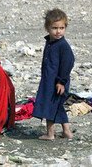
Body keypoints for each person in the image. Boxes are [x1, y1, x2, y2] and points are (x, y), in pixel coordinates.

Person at [32, 8, 75, 140]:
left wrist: (61, 81)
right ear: (47, 28)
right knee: (56, 105)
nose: (58, 31)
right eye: (54, 28)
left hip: (57, 82)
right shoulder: (51, 42)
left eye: (62, 28)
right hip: (49, 80)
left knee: (49, 105)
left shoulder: (62, 45)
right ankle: (67, 131)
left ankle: (50, 134)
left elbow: (69, 62)